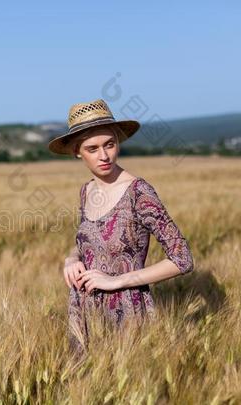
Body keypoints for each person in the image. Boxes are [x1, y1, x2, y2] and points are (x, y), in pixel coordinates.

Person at [48, 99, 195, 355]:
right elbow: (87, 242)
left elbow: (182, 259)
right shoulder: (86, 191)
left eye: (109, 144)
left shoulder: (139, 192)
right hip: (83, 311)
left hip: (127, 314)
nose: (103, 156)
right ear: (77, 151)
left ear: (118, 142)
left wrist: (115, 282)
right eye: (92, 148)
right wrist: (71, 259)